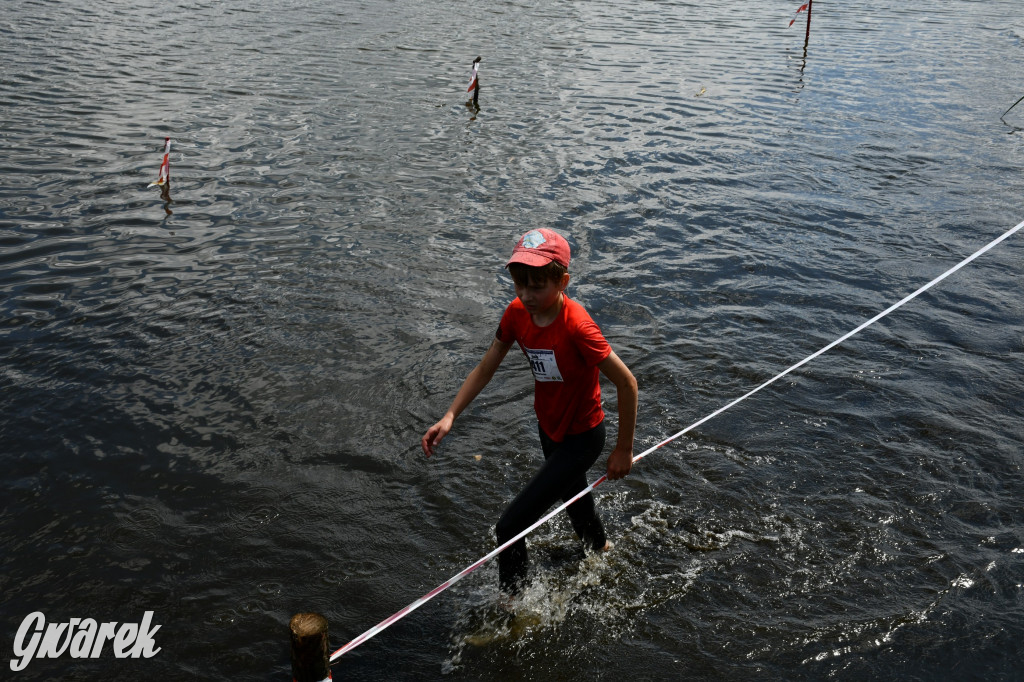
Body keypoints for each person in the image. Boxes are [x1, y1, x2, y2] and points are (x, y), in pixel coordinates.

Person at [421, 228, 638, 597]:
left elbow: (627, 383)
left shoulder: (578, 326)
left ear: (562, 281)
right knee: (575, 501)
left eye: (537, 286)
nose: (526, 295)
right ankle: (601, 550)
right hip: (548, 428)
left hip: (582, 436)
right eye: (520, 285)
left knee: (510, 526)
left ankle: (514, 609)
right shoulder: (517, 314)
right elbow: (486, 366)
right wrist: (450, 415)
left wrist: (623, 450)